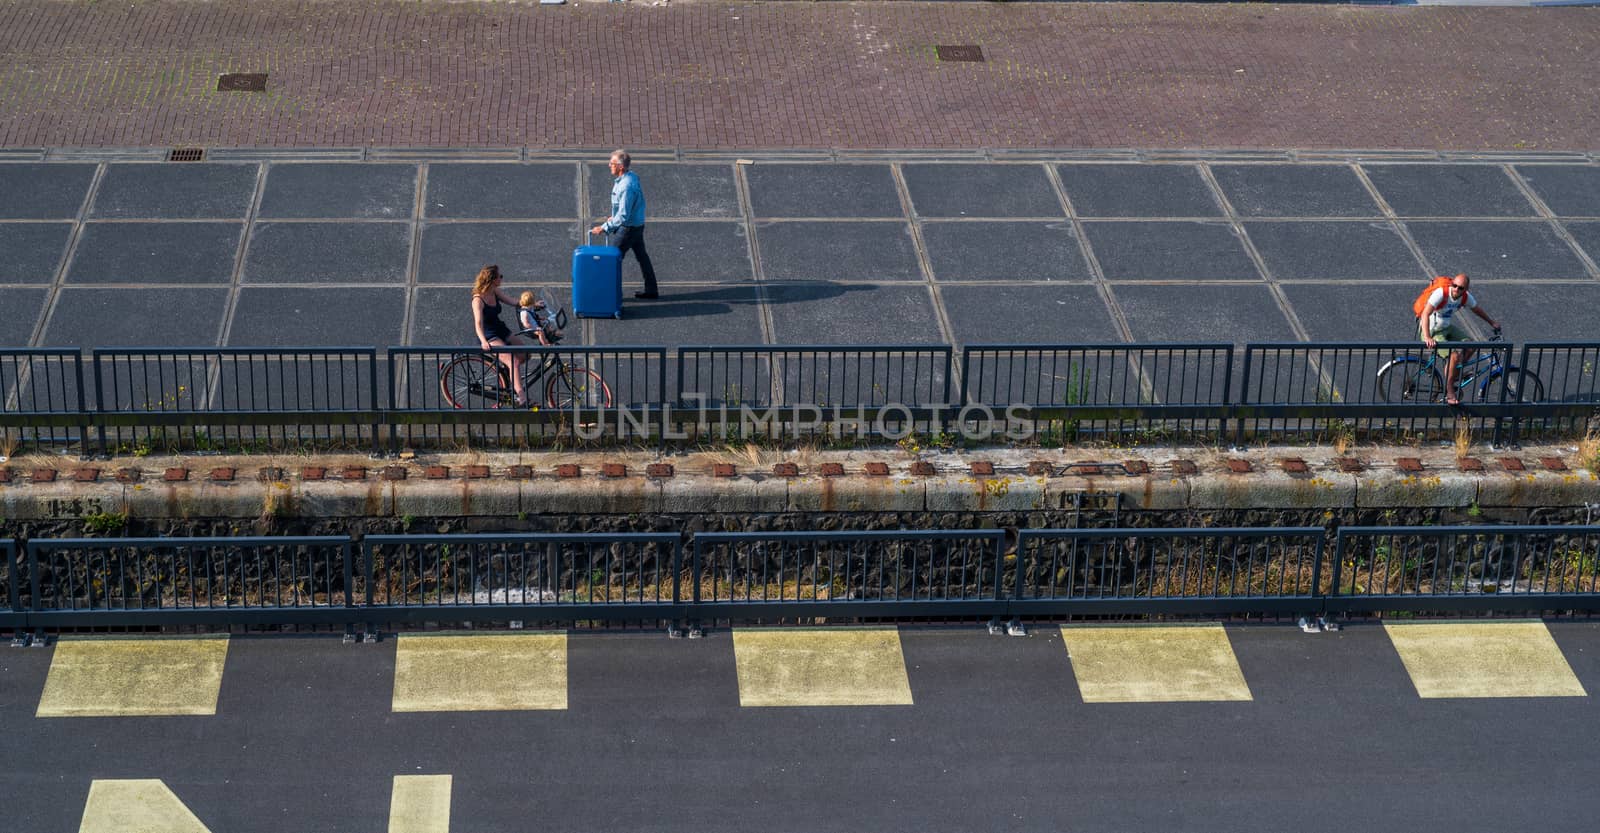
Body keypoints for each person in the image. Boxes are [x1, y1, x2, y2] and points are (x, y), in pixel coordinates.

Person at [1418, 273, 1501, 405]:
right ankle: (1449, 389)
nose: (1456, 289)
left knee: (1472, 345)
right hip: (1432, 330)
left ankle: (1453, 373)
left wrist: (1492, 322)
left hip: (1446, 328)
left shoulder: (1465, 297)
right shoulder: (1441, 293)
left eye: (1460, 288)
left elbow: (1477, 309)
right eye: (1454, 285)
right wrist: (1427, 336)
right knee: (1454, 356)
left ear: (1466, 290)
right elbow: (1425, 313)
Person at [589, 149, 659, 300]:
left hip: (628, 229)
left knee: (611, 260)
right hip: (637, 224)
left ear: (621, 167)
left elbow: (623, 215)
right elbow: (625, 209)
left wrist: (604, 228)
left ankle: (610, 295)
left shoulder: (626, 186)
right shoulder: (631, 176)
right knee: (642, 257)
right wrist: (613, 217)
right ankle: (651, 289)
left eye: (612, 163)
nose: (609, 165)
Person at [470, 264, 531, 407]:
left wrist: (532, 305)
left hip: (500, 329)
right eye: (500, 276)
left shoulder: (495, 291)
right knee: (513, 361)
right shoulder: (478, 300)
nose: (502, 278)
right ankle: (520, 397)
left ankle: (509, 375)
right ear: (492, 279)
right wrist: (483, 341)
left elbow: (513, 301)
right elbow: (478, 324)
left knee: (525, 353)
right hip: (489, 335)